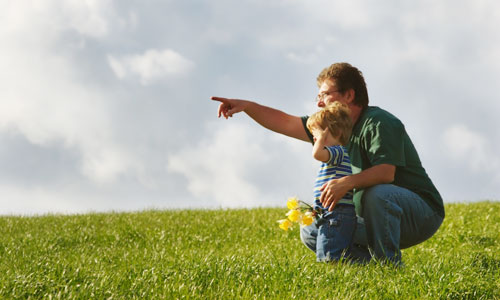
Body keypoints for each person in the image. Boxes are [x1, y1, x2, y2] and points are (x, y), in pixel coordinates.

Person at [211, 62, 444, 265]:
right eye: (318, 97)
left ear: (349, 95)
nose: (320, 103)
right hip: (374, 215)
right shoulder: (332, 128)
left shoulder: (379, 122)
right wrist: (248, 106)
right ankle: (372, 269)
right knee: (312, 230)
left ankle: (389, 265)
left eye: (324, 95)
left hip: (419, 213)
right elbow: (284, 121)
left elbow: (386, 173)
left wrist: (345, 183)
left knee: (378, 194)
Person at [306, 102, 357, 262]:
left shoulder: (338, 151)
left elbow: (316, 154)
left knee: (329, 255)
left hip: (336, 214)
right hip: (332, 213)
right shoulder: (335, 154)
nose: (315, 137)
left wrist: (319, 140)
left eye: (319, 133)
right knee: (331, 250)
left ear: (338, 133)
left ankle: (333, 277)